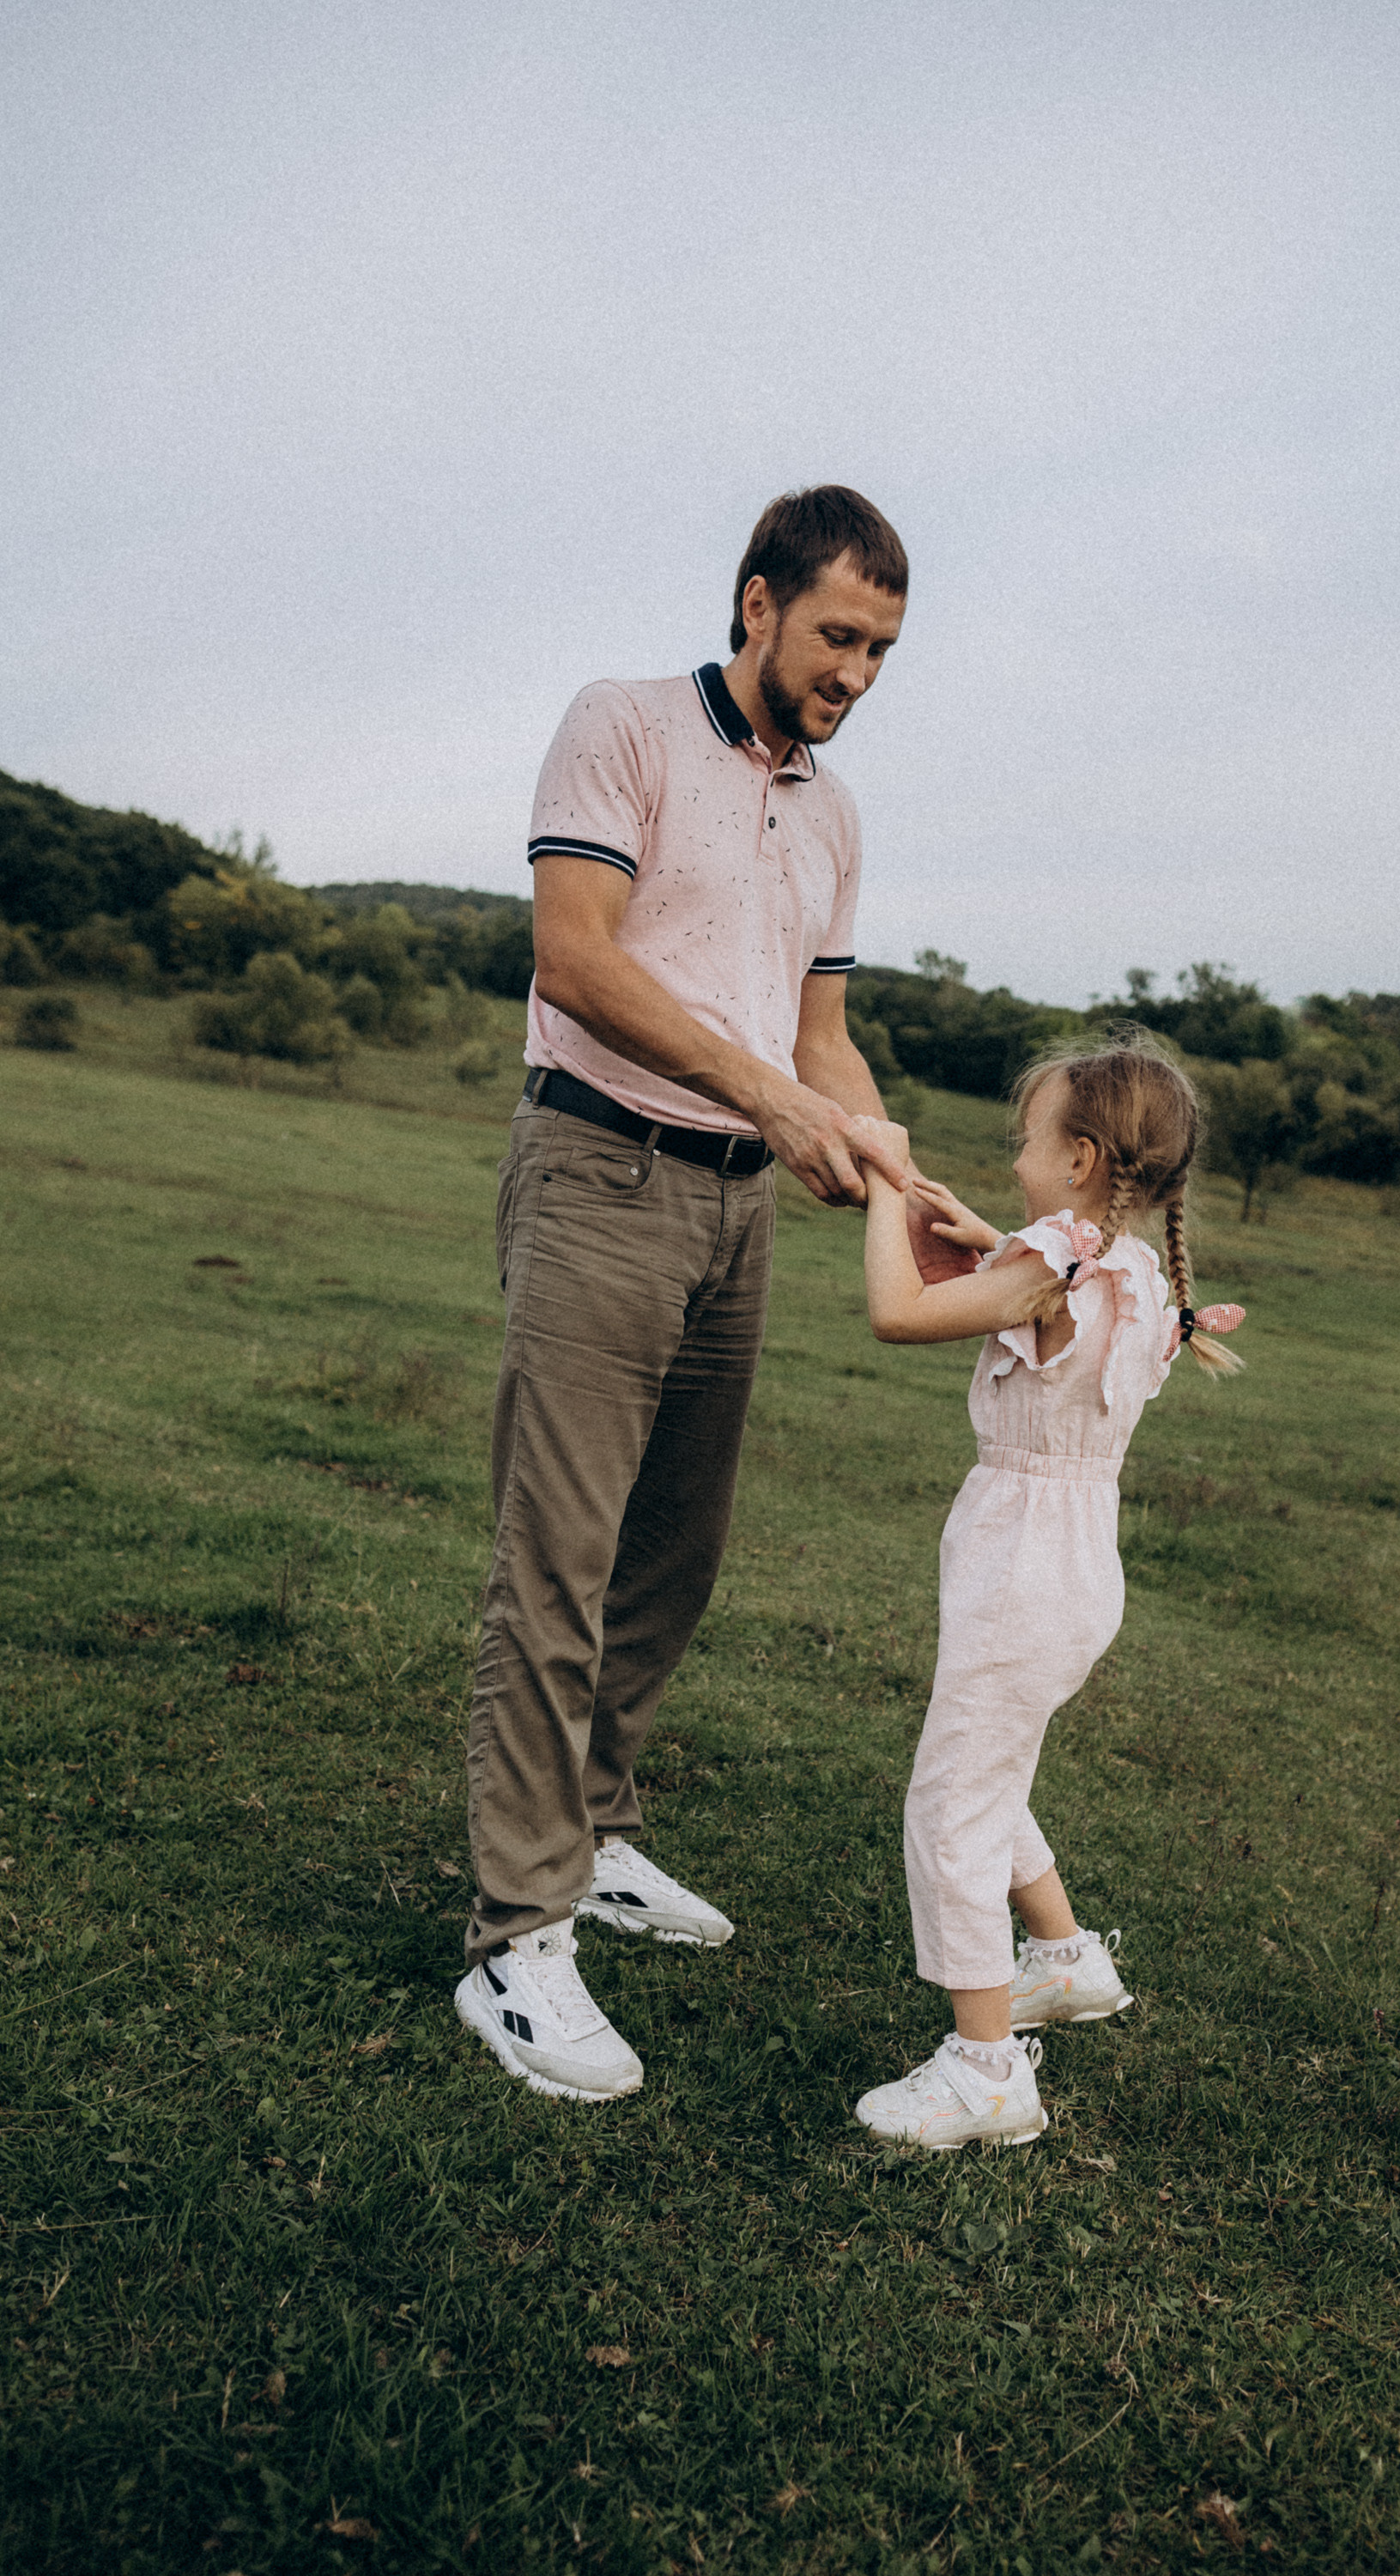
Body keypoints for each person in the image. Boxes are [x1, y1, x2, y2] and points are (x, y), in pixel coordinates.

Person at [456, 486, 911, 2103]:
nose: (857, 672)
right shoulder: (623, 726)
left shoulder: (837, 816)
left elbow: (821, 1029)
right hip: (598, 1173)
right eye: (839, 635)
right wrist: (773, 1098)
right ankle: (518, 1935)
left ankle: (595, 1833)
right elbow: (574, 958)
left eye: (883, 651)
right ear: (757, 604)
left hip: (740, 1213)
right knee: (558, 1553)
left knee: (676, 1546)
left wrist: (863, 1129)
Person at [842, 1034, 1245, 2148]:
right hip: (1077, 1564)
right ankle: (1065, 1960)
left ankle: (987, 2074)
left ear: (1078, 1158)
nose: (1013, 1158)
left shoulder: (1056, 1263)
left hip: (1018, 1564)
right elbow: (1048, 1297)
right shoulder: (1136, 1269)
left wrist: (884, 1185)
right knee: (991, 1763)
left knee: (951, 1803)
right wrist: (990, 1244)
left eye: (1025, 1142)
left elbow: (897, 1310)